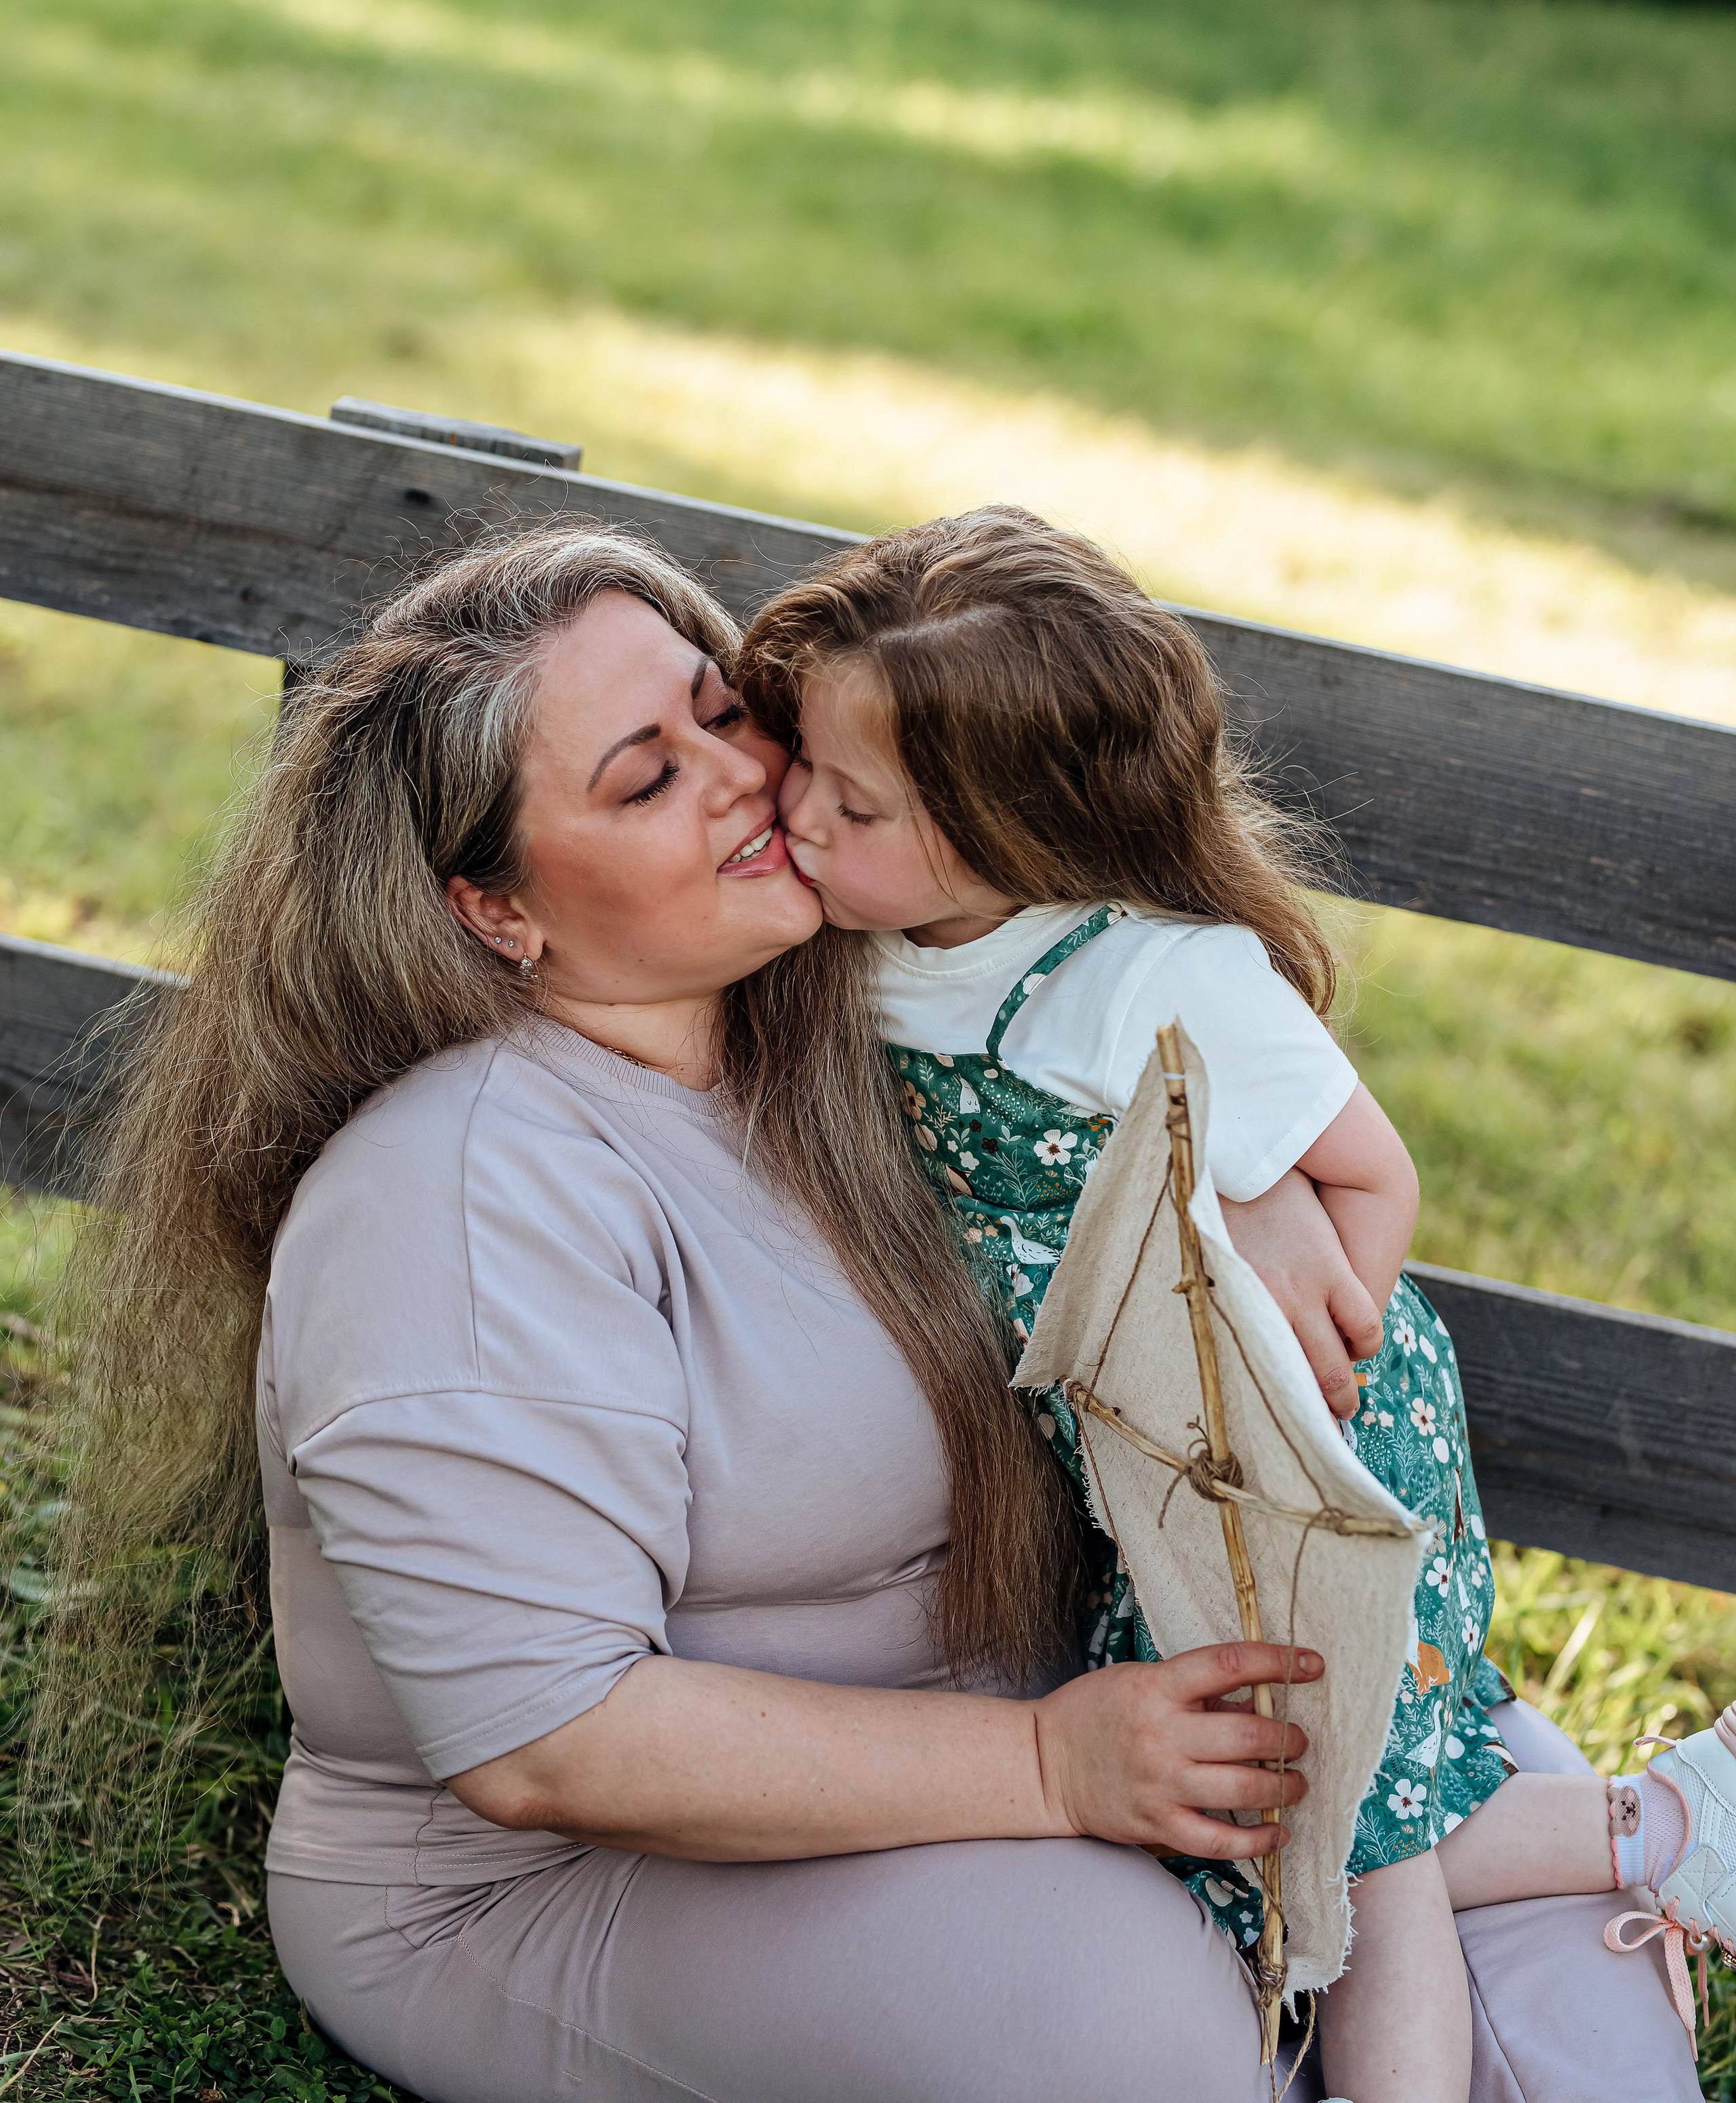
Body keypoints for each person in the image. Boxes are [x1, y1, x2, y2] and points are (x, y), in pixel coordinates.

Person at [46, 519, 1703, 2103]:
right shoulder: (464, 1192)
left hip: (1029, 1710)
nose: (745, 783)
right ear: (495, 908)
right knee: (1119, 2025)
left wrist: (1233, 1187)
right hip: (559, 1875)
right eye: (647, 777)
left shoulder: (847, 1024)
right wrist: (1056, 1773)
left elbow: (1103, 999)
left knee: (1490, 1829)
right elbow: (546, 1745)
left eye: (717, 711)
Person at [739, 504, 1732, 2101]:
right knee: (1255, 1802)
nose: (792, 809)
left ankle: (1498, 1983)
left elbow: (1374, 1176)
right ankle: (1660, 1828)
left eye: (848, 802)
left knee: (1341, 1815)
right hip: (1144, 1445)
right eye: (802, 762)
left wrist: (1300, 1368)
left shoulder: (1151, 975)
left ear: (1014, 835)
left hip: (1295, 1430)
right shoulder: (859, 943)